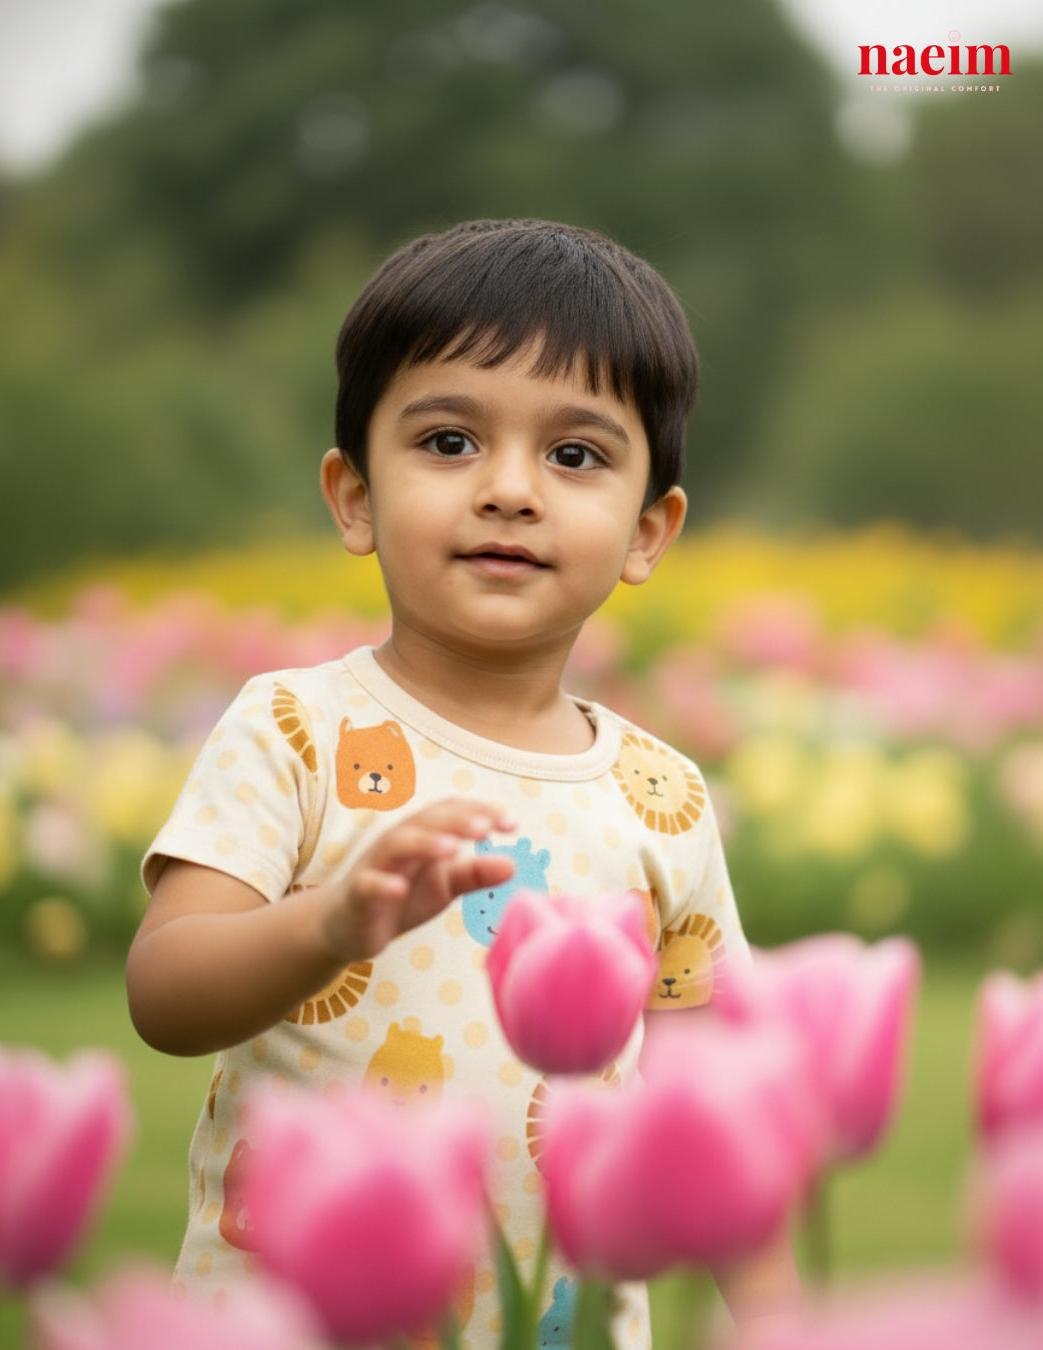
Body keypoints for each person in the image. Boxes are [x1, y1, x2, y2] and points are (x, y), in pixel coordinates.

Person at [127, 218, 798, 1348]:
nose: (509, 490)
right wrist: (327, 924)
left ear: (648, 531)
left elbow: (713, 1113)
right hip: (299, 1318)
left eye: (574, 455)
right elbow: (167, 993)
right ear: (353, 496)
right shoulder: (294, 728)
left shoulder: (661, 796)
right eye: (447, 441)